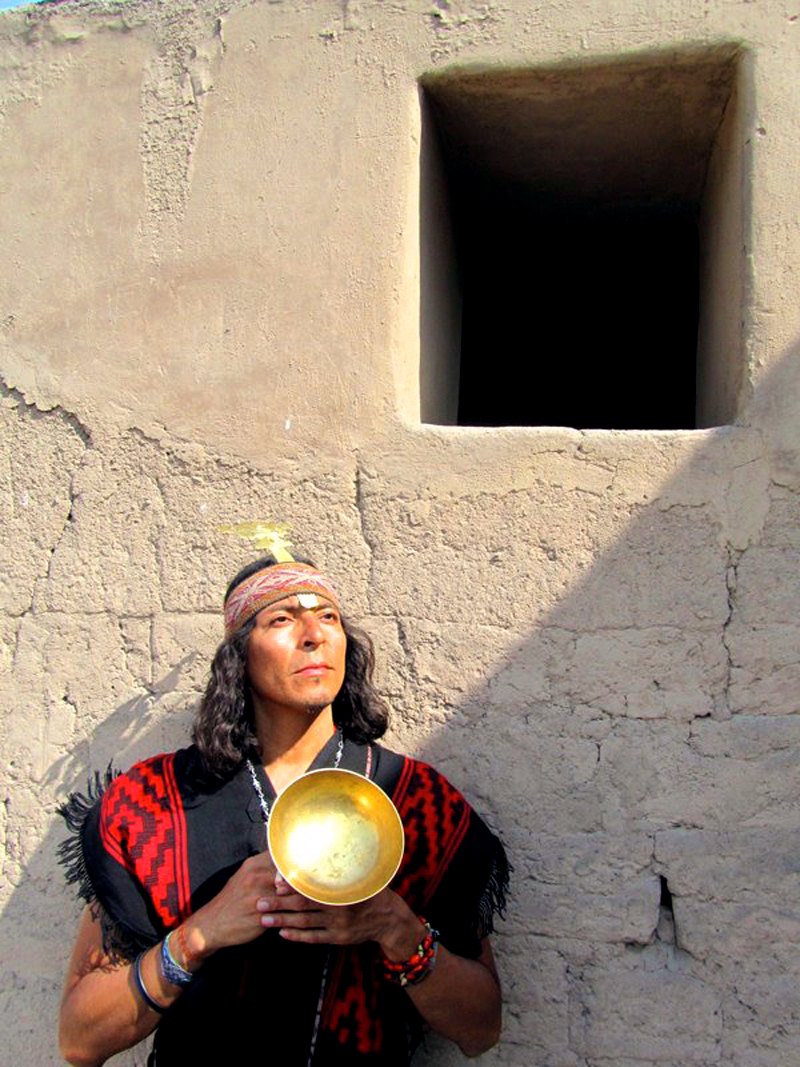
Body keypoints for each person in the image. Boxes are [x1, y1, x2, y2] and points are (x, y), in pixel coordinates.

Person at [58, 553, 509, 1066]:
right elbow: (79, 1041)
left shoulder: (413, 800)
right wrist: (199, 934)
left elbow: (481, 1029)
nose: (314, 634)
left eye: (329, 617)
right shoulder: (152, 806)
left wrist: (396, 929)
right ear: (238, 657)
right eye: (282, 619)